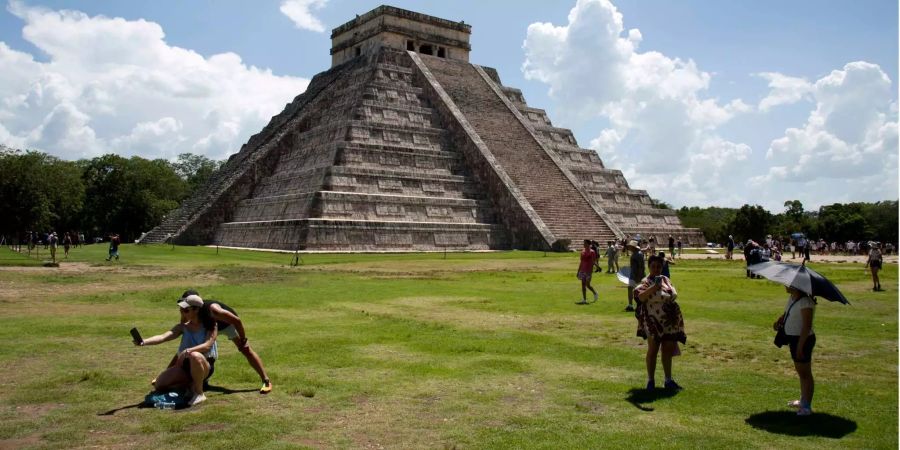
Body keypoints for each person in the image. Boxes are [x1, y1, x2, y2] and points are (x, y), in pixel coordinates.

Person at [181, 290, 273, 393]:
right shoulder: (188, 309)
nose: (184, 310)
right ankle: (202, 379)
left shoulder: (213, 309)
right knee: (192, 349)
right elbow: (183, 323)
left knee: (245, 349)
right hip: (209, 327)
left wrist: (243, 339)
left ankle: (266, 381)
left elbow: (236, 321)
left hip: (226, 325)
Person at [136, 295, 217, 406]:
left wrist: (188, 351)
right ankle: (189, 385)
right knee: (159, 385)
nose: (182, 312)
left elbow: (207, 345)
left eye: (185, 310)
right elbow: (163, 337)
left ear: (196, 310)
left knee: (195, 355)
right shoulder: (183, 327)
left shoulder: (211, 325)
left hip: (204, 364)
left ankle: (199, 393)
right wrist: (144, 342)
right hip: (184, 366)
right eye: (181, 310)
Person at [634, 254, 685, 391]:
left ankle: (668, 380)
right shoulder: (646, 282)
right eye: (653, 266)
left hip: (668, 321)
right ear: (649, 267)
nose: (656, 269)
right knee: (653, 350)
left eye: (658, 266)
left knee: (667, 350)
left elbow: (673, 294)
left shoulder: (666, 279)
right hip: (653, 321)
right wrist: (654, 288)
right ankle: (651, 381)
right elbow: (640, 297)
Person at [773, 286, 816, 416]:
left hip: (802, 340)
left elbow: (806, 326)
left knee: (805, 373)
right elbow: (787, 314)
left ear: (797, 285)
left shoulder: (806, 302)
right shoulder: (792, 298)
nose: (786, 285)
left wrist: (800, 346)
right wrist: (779, 322)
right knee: (801, 372)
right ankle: (803, 401)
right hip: (794, 339)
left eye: (789, 283)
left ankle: (806, 407)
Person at [576, 240, 599, 304]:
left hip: (589, 270)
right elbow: (581, 262)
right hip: (582, 270)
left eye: (585, 243)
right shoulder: (582, 252)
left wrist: (597, 267)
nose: (584, 244)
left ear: (589, 244)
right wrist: (578, 271)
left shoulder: (592, 252)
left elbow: (593, 261)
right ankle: (584, 299)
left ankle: (595, 293)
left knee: (587, 284)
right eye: (584, 243)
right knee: (583, 285)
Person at [625, 240, 645, 312]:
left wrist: (639, 276)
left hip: (636, 275)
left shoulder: (638, 254)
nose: (629, 247)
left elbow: (641, 266)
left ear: (633, 247)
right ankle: (631, 305)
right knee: (631, 288)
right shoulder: (636, 253)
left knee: (638, 290)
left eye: (630, 246)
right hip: (633, 274)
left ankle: (638, 305)